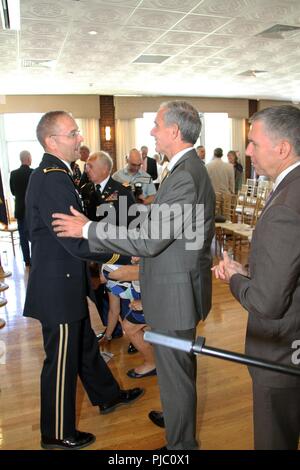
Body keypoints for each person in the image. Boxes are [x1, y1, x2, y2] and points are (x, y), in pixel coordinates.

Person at [52, 100, 215, 450]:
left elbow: (152, 240)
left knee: (176, 370)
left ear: (173, 131)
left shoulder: (185, 174)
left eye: (156, 125)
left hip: (176, 291)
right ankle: (176, 416)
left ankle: (180, 446)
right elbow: (165, 225)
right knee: (175, 370)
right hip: (176, 284)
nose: (152, 132)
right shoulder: (183, 168)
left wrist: (89, 230)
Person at [24, 111, 143, 450]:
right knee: (60, 361)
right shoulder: (52, 177)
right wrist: (123, 256)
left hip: (64, 281)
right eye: (73, 133)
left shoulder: (60, 173)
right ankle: (57, 432)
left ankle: (108, 396)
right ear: (52, 141)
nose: (79, 138)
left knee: (84, 346)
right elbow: (74, 240)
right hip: (56, 287)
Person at [212, 105, 300, 450]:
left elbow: (267, 302)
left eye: (253, 143)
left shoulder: (284, 206)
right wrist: (255, 272)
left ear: (282, 149)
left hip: (281, 352)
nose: (246, 151)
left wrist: (235, 277)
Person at [81, 150, 135, 341]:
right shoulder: (86, 190)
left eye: (90, 166)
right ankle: (112, 329)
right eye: (86, 165)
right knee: (99, 292)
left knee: (124, 294)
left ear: (105, 169)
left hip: (116, 252)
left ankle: (136, 334)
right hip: (93, 252)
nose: (86, 169)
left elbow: (131, 225)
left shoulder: (121, 191)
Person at [9, 150, 33, 267]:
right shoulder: (34, 173)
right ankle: (36, 258)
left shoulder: (13, 174)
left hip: (19, 209)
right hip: (32, 209)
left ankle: (27, 261)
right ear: (28, 159)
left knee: (23, 236)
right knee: (34, 235)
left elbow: (13, 192)